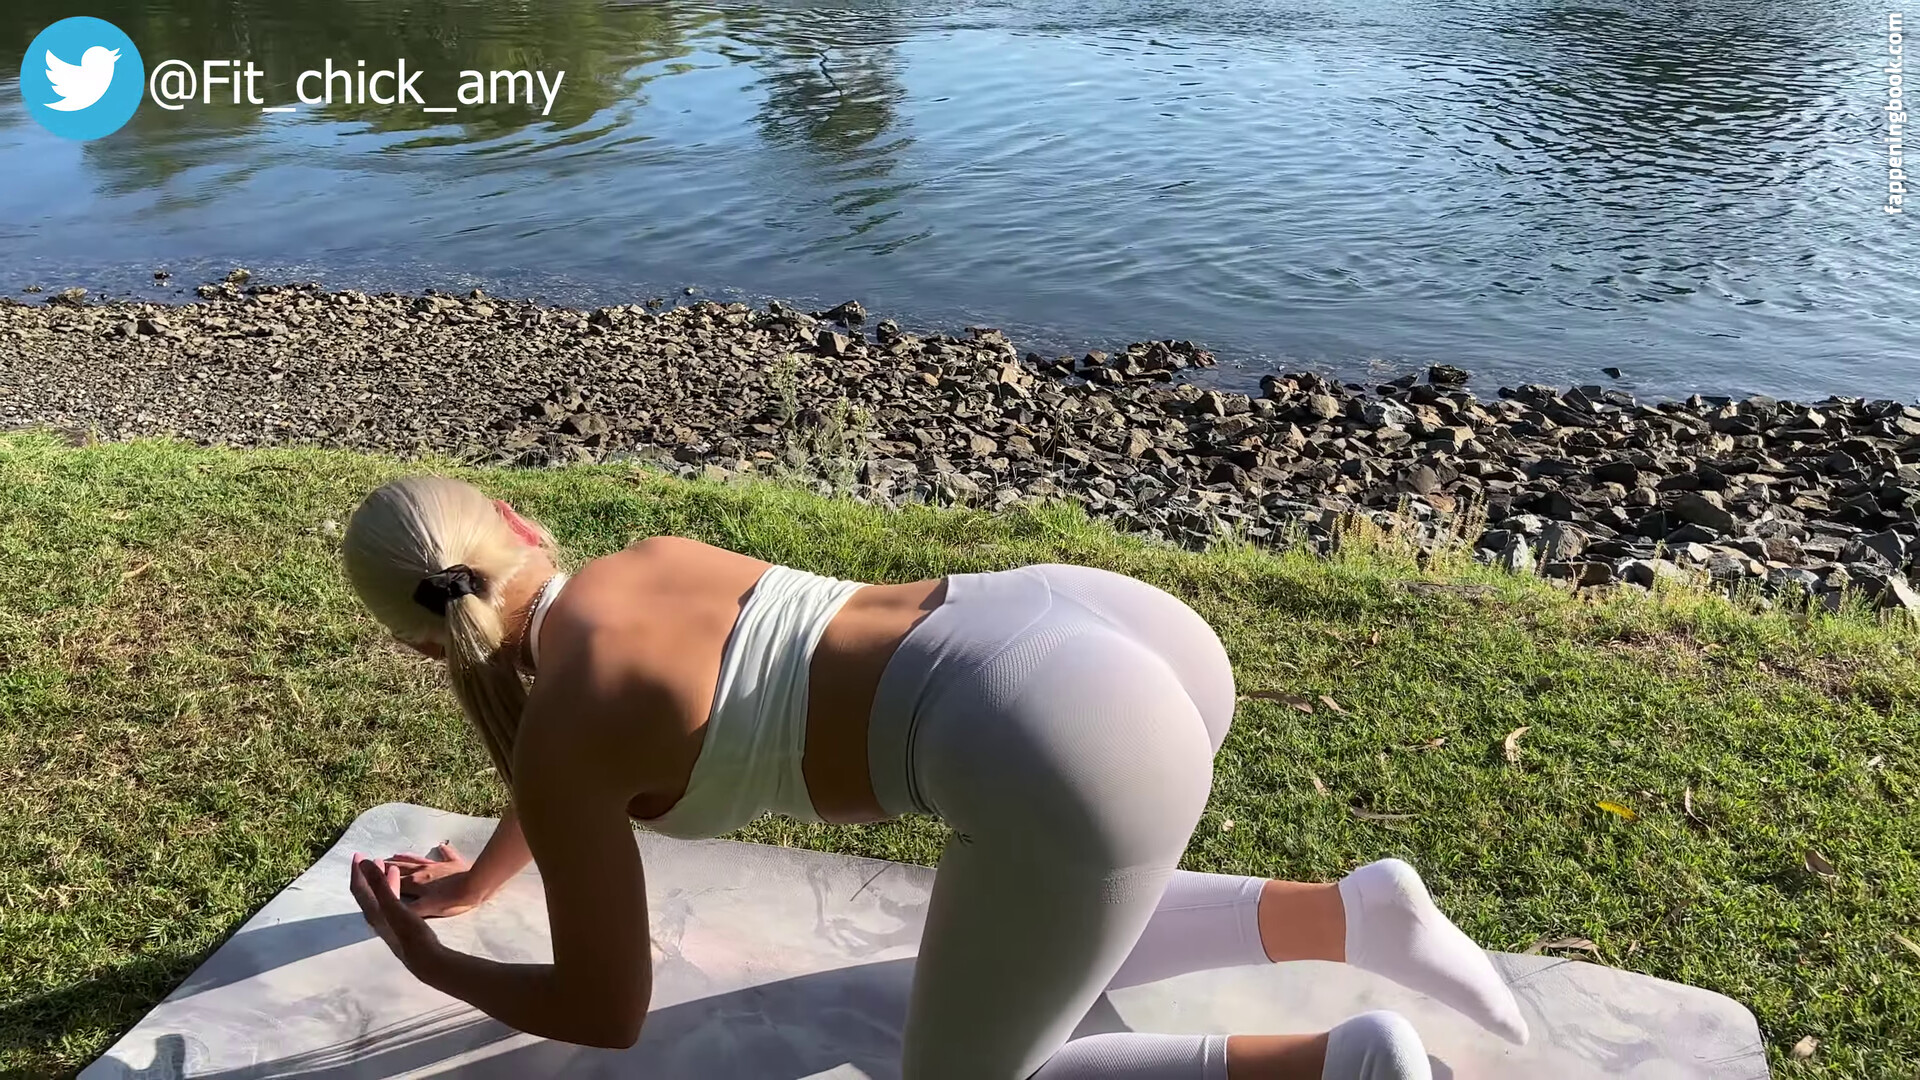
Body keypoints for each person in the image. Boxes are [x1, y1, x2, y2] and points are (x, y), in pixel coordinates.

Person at [341, 476, 1528, 1080]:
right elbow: (572, 763)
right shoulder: (647, 564)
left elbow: (608, 1014)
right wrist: (487, 878)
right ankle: (1351, 913)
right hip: (1089, 619)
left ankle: (1343, 1065)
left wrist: (427, 958)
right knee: (1067, 899)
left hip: (1058, 727)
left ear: (422, 647)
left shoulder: (566, 740)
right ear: (516, 524)